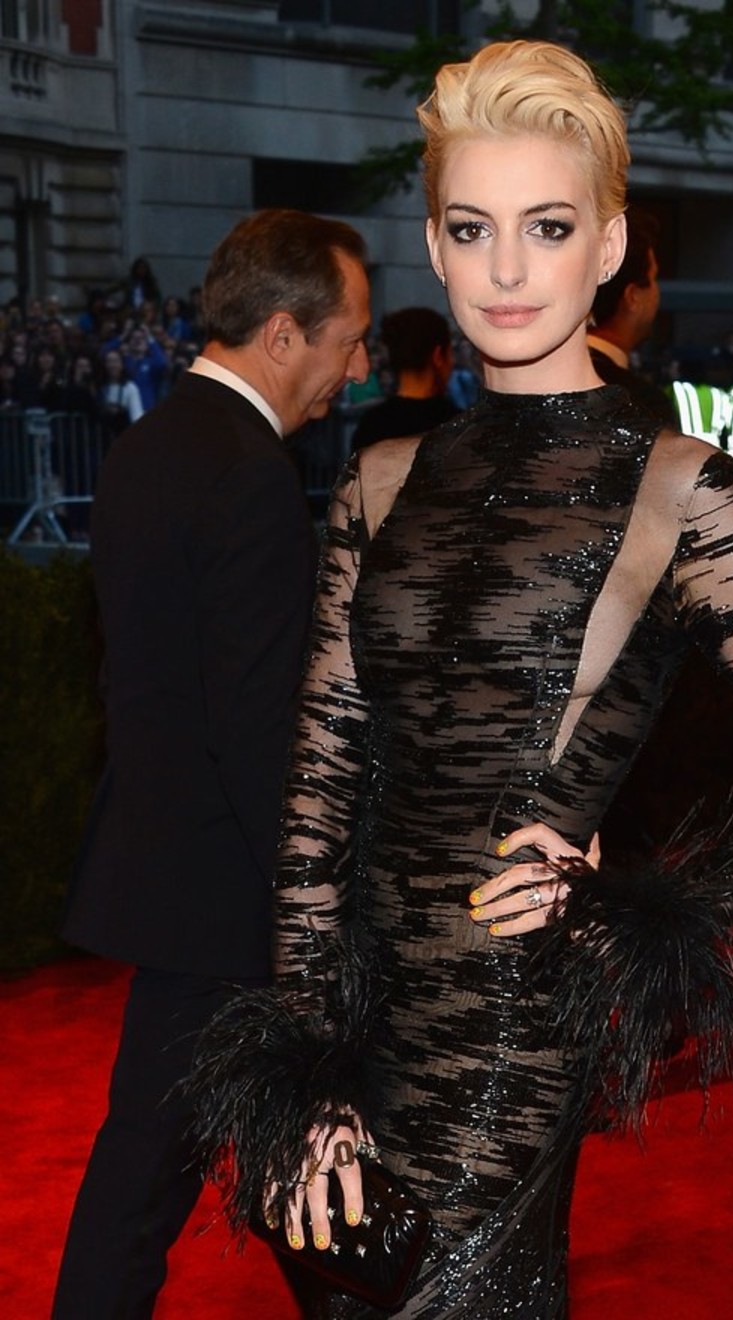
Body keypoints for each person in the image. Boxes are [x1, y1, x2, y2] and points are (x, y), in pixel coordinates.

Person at [192, 42, 733, 1317]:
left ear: (606, 247)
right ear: (436, 249)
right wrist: (310, 1072)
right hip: (356, 1019)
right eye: (473, 228)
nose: (507, 269)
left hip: (514, 1022)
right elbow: (318, 799)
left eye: (547, 227)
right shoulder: (380, 484)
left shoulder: (683, 492)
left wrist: (630, 909)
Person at [52, 207, 372, 1319]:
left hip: (175, 871)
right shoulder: (247, 474)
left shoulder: (147, 446)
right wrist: (316, 905)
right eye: (349, 340)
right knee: (152, 1181)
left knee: (276, 1159)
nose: (358, 368)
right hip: (228, 900)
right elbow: (259, 727)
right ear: (283, 334)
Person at [586, 202, 672, 417]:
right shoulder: (642, 403)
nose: (657, 292)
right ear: (632, 296)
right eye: (653, 279)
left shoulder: (536, 377)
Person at [349, 305, 459, 450]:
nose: (453, 362)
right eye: (451, 353)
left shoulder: (372, 425)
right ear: (438, 355)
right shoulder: (457, 424)